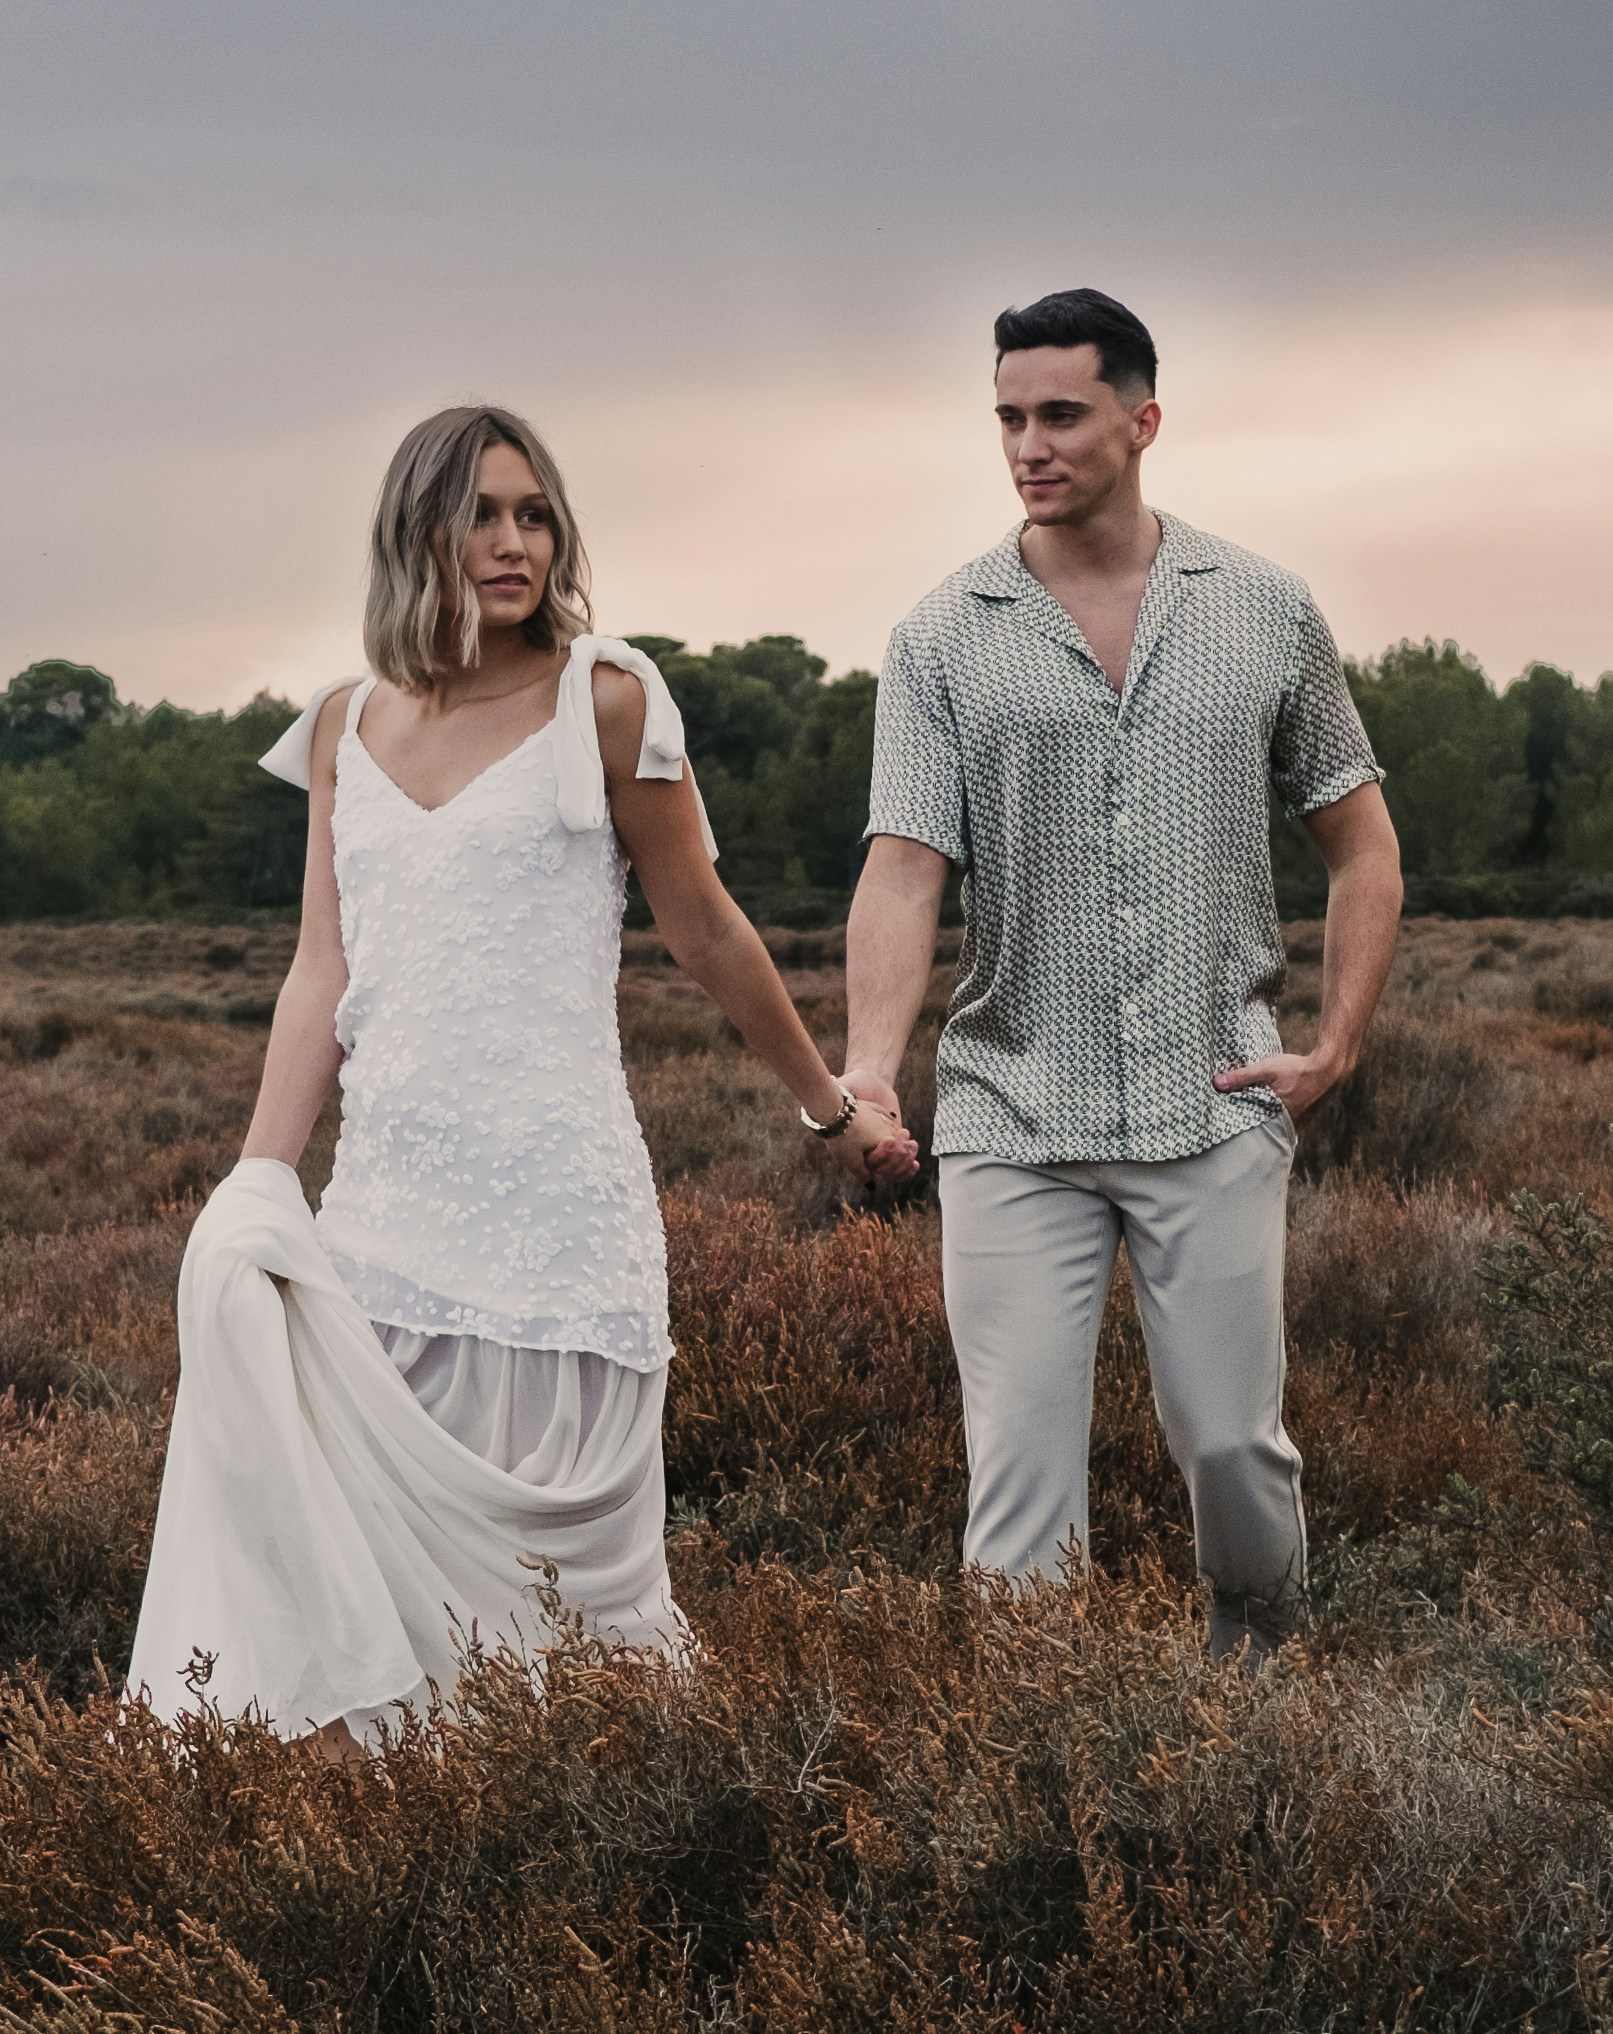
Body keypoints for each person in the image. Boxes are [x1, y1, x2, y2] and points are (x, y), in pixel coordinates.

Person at [134, 402, 892, 1744]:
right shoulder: (342, 726)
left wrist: (829, 1107)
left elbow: (706, 931)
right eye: (480, 515)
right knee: (381, 1602)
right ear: (414, 532)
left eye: (535, 516)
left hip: (560, 1228)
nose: (513, 543)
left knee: (569, 1637)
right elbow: (321, 969)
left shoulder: (605, 700)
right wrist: (258, 1183)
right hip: (382, 1228)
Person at [838, 290, 1401, 1650]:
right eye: (1009, 419)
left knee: (1233, 1448)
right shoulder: (940, 635)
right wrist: (867, 1070)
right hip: (1012, 1115)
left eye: (1061, 415)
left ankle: (1261, 1693)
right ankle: (1038, 1742)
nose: (1029, 446)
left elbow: (1363, 846)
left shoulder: (1264, 608)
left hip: (1214, 1101)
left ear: (1142, 422)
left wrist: (1335, 1045)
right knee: (1019, 1478)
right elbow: (904, 871)